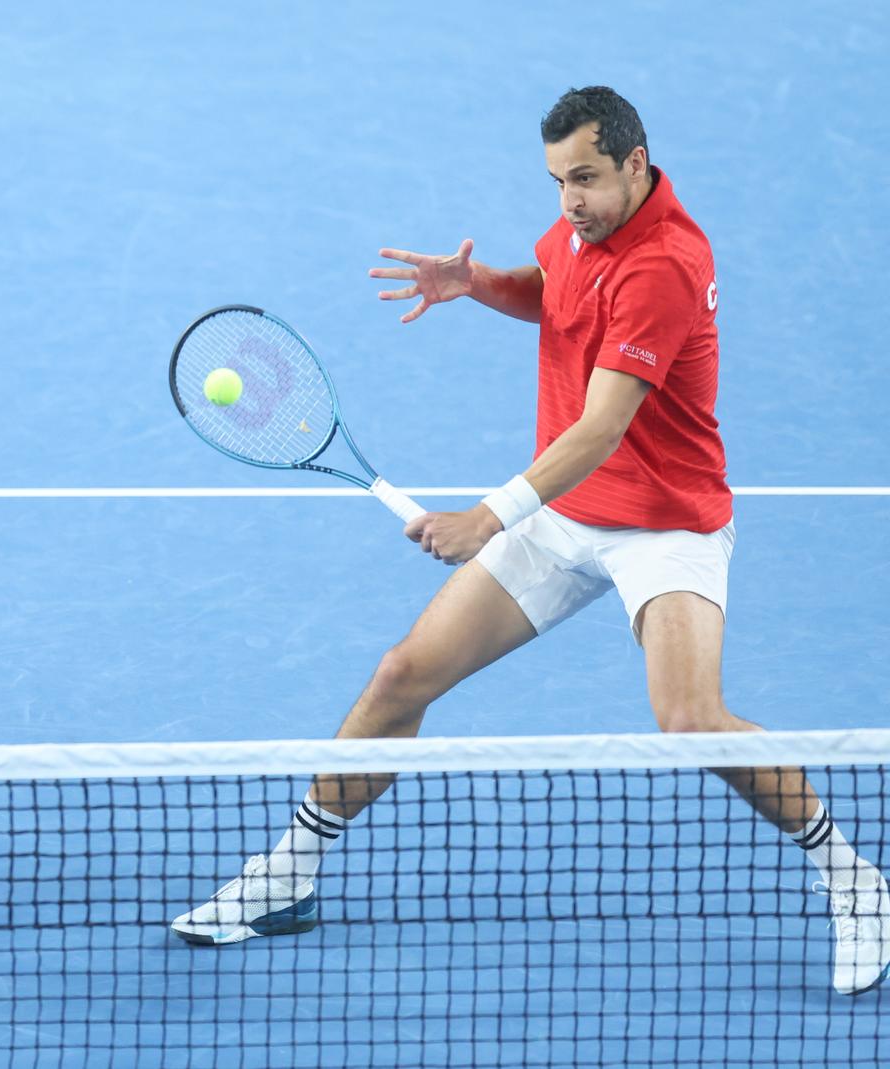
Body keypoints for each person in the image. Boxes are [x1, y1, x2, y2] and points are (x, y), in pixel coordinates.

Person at [170, 86, 890, 996]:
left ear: (636, 162)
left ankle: (855, 880)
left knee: (690, 719)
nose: (568, 202)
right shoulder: (586, 230)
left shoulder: (664, 263)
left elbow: (599, 428)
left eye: (584, 178)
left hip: (663, 525)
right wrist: (477, 285)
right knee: (402, 674)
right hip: (567, 514)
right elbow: (551, 289)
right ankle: (290, 873)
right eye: (556, 181)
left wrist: (488, 516)